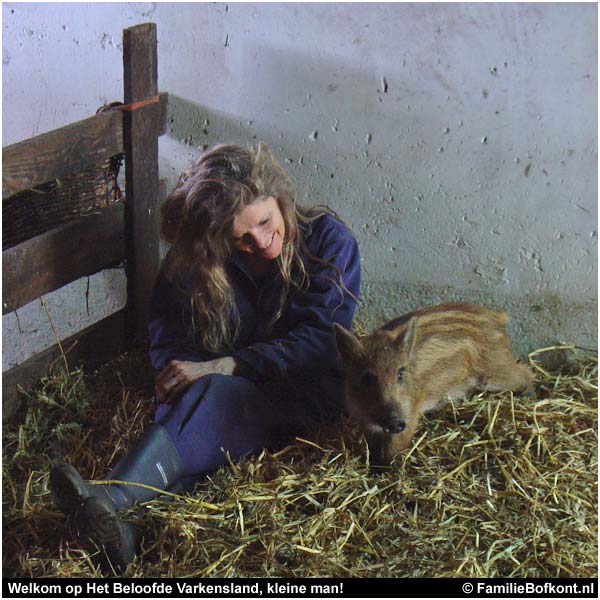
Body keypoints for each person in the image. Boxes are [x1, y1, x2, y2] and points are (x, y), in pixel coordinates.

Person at [49, 142, 361, 571]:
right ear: (217, 238)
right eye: (241, 240)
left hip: (304, 396)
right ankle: (126, 528)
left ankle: (112, 497)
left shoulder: (329, 242)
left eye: (267, 223)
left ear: (280, 201)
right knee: (205, 407)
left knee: (216, 401)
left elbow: (320, 342)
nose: (263, 243)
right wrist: (178, 377)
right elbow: (169, 338)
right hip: (222, 399)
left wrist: (227, 365)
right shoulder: (197, 263)